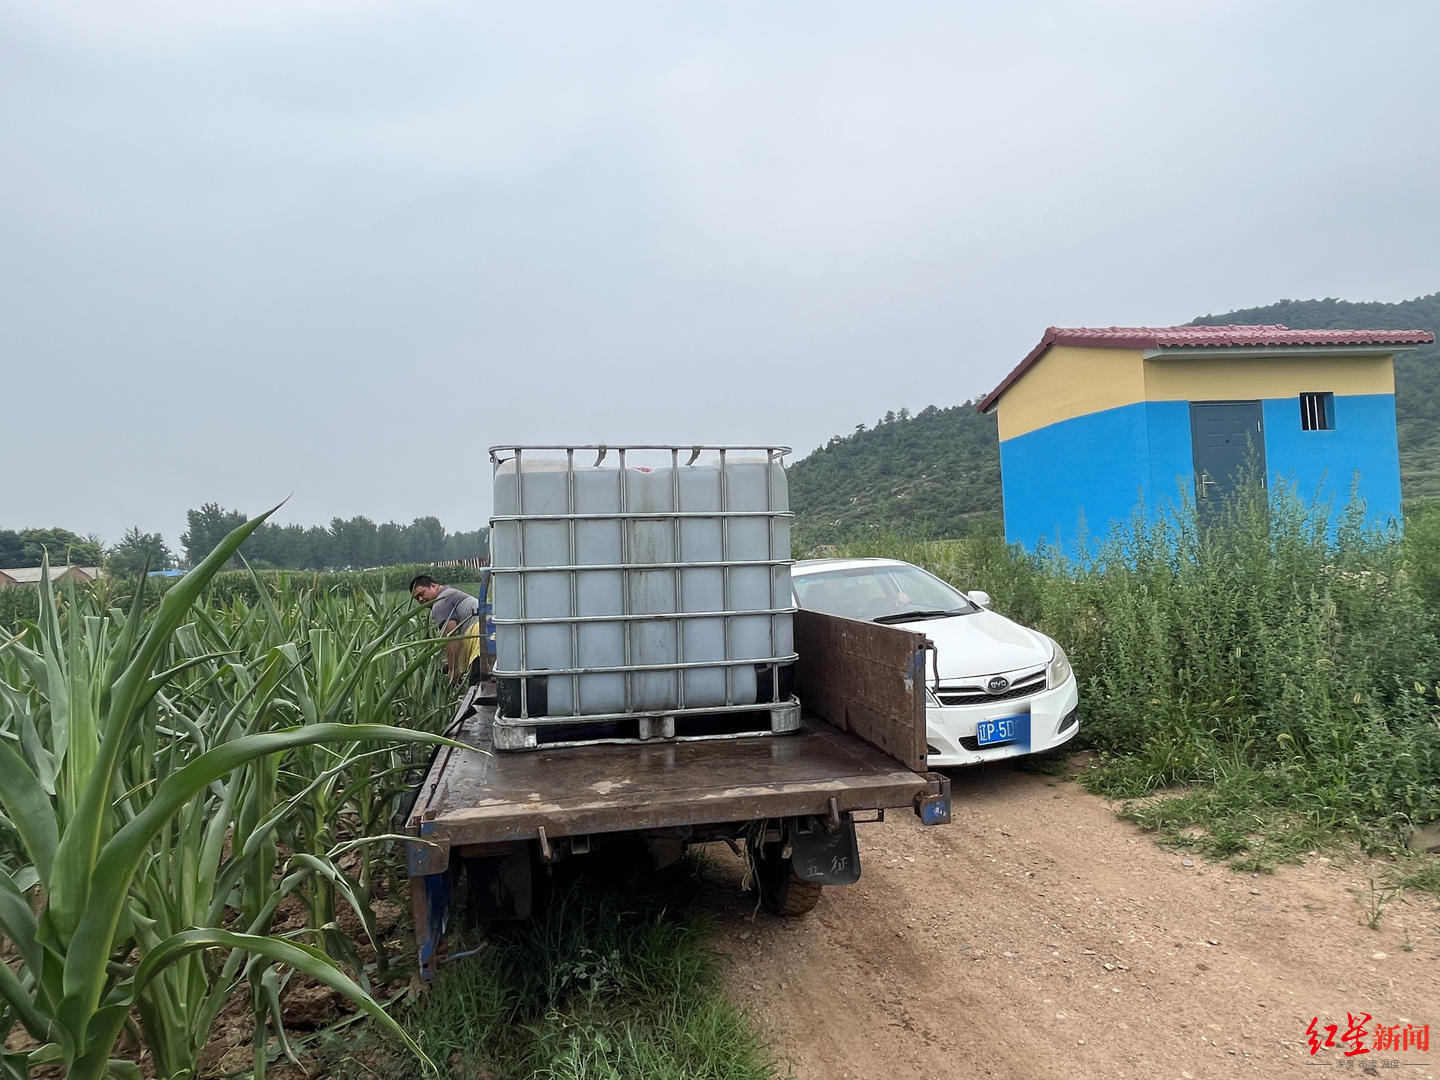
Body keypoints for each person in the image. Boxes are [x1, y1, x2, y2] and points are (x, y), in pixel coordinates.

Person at [410, 575, 483, 684]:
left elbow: (452, 637)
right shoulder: (450, 593)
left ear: (433, 586)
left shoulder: (440, 603)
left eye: (422, 593)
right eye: (417, 598)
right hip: (493, 637)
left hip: (481, 645)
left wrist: (453, 670)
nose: (421, 599)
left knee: (478, 690)